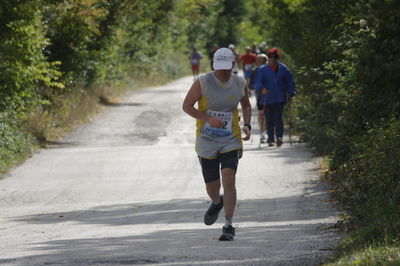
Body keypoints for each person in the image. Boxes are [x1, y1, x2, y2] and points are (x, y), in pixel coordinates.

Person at [182, 47, 252, 241]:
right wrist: (207, 118)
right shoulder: (203, 82)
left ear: (232, 65)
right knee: (212, 188)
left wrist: (247, 124)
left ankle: (228, 225)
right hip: (207, 140)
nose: (223, 72)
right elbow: (186, 106)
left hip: (231, 138)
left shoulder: (239, 83)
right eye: (219, 68)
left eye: (226, 68)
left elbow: (246, 105)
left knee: (229, 177)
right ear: (214, 65)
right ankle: (216, 201)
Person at [254, 48, 296, 147]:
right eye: (270, 57)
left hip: (280, 97)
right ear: (268, 58)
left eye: (275, 57)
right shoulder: (262, 69)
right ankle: (271, 139)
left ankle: (279, 138)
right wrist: (262, 88)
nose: (272, 59)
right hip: (267, 98)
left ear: (277, 58)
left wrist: (291, 93)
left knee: (278, 118)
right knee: (269, 119)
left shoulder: (284, 69)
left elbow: (290, 82)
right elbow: (257, 83)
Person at [249, 53, 268, 143]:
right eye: (259, 60)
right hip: (260, 96)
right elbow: (251, 85)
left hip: (273, 96)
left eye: (263, 60)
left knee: (270, 115)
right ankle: (263, 133)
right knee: (261, 114)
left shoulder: (272, 69)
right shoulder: (255, 71)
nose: (260, 62)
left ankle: (270, 132)